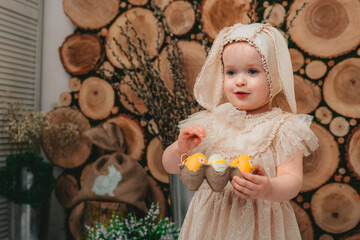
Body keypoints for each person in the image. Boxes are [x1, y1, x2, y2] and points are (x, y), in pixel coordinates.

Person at [162, 23, 319, 239]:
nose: (240, 81)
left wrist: (269, 189)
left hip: (260, 224)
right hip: (210, 223)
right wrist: (179, 148)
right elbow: (171, 167)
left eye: (252, 71)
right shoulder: (211, 122)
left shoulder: (283, 127)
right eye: (231, 72)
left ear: (273, 76)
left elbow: (292, 179)